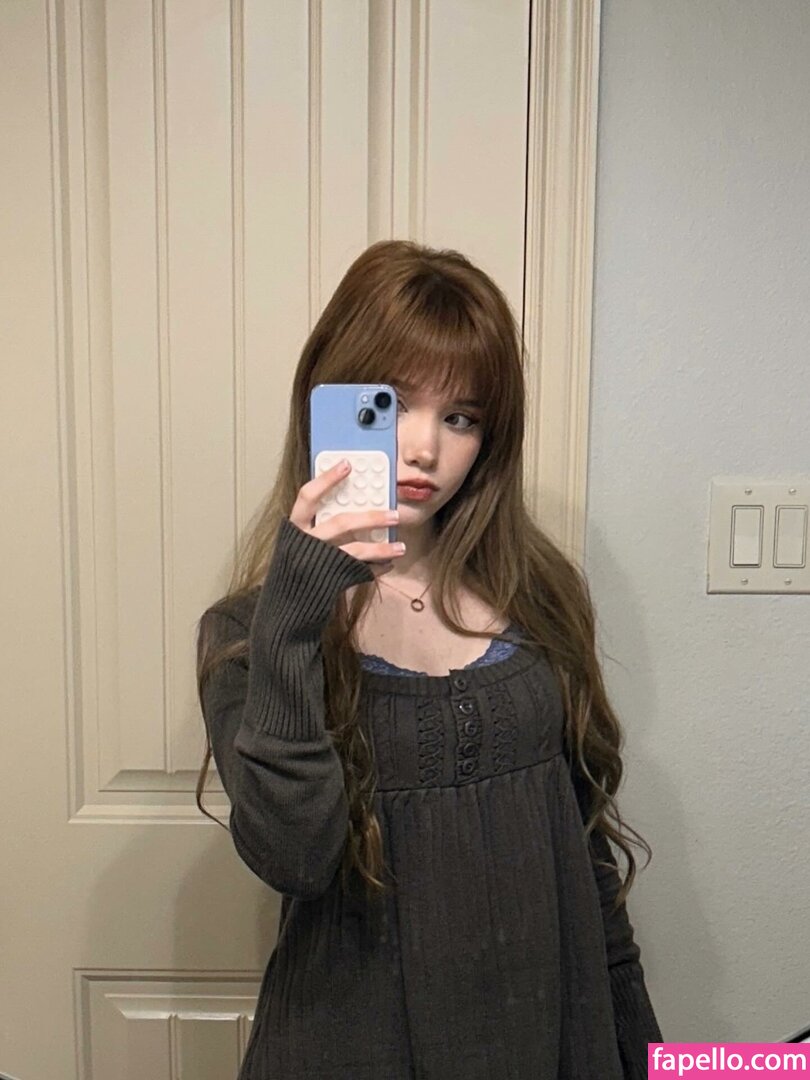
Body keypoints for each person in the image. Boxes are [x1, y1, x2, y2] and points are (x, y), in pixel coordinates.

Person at [195, 239, 664, 1079]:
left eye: (461, 417)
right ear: (327, 404)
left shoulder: (540, 596)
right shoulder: (247, 633)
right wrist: (293, 624)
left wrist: (644, 1050)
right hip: (349, 1047)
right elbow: (295, 858)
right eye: (393, 404)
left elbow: (586, 855)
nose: (423, 449)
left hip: (547, 1037)